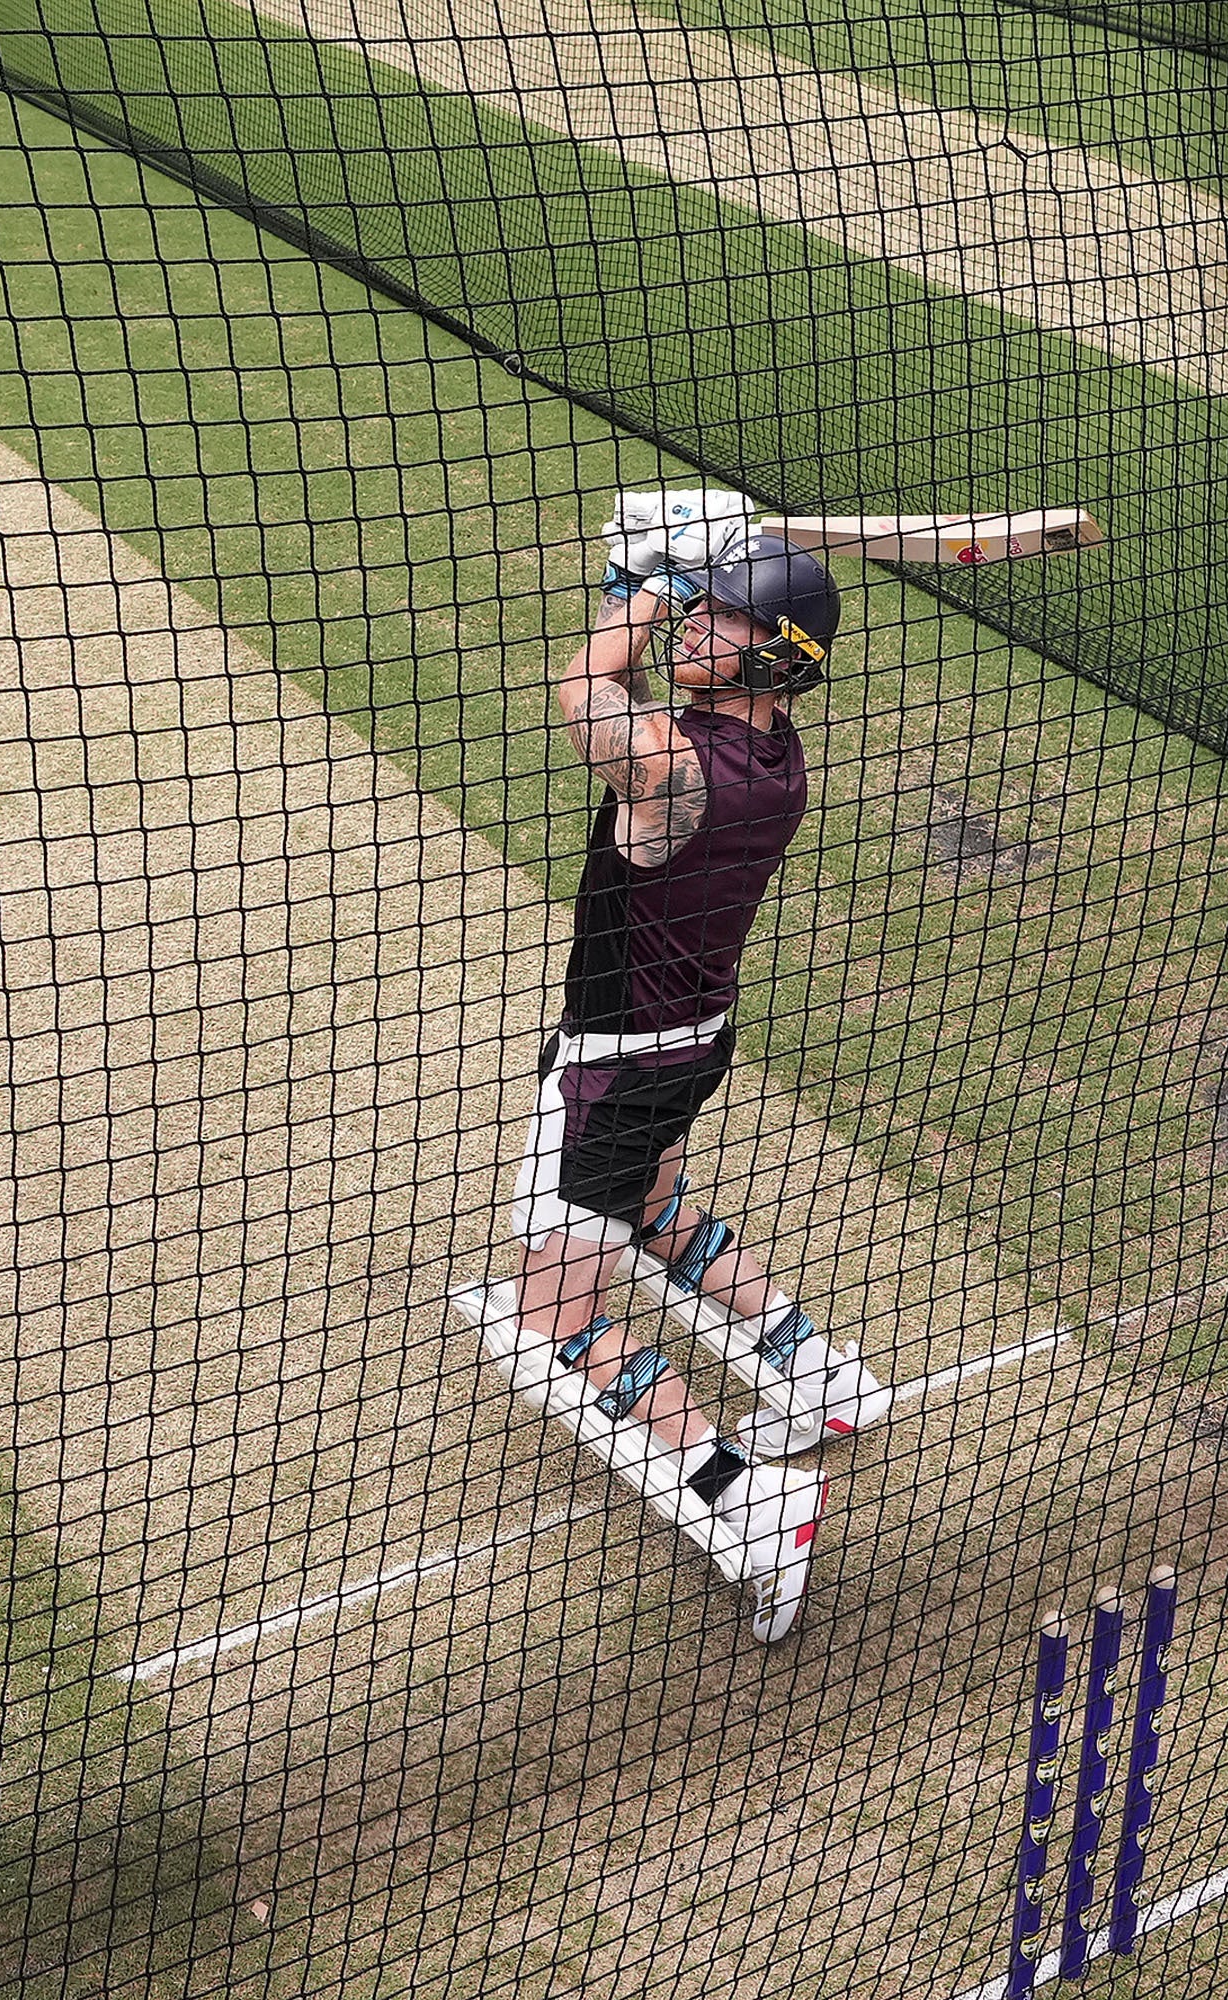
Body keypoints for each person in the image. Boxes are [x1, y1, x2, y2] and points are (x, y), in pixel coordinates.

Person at [471, 489, 892, 1643]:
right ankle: (818, 1373)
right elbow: (641, 708)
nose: (700, 628)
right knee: (653, 1212)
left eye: (724, 618)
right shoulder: (775, 757)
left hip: (610, 1069)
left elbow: (588, 695)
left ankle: (748, 1493)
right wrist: (670, 582)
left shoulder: (672, 765)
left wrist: (640, 580)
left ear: (782, 658)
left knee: (557, 1320)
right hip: (695, 1043)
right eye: (701, 609)